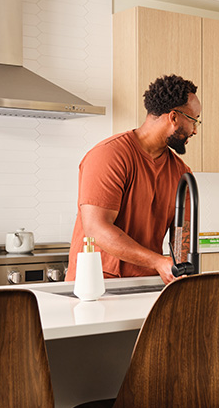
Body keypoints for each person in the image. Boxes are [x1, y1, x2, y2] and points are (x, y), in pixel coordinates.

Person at [66, 74, 201, 284]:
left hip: (146, 284)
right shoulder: (109, 156)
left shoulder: (182, 174)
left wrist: (182, 268)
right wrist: (157, 262)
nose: (195, 130)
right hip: (96, 284)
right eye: (193, 121)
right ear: (173, 117)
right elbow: (96, 229)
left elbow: (181, 238)